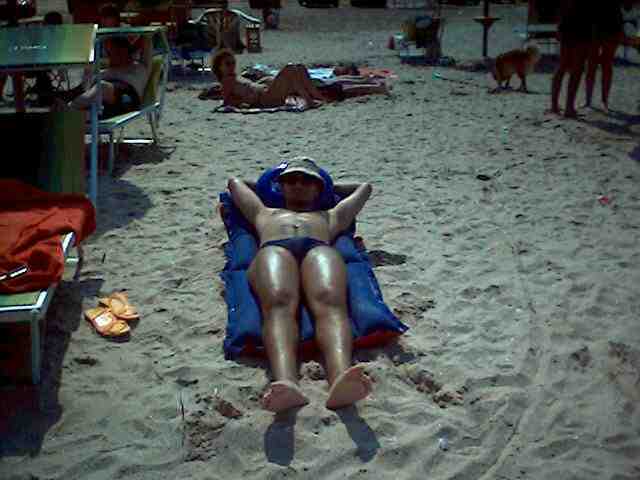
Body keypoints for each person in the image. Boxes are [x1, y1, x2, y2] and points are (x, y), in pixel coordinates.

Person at [227, 157, 373, 413]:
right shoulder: (264, 213)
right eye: (290, 180)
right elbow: (234, 183)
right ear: (280, 186)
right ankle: (286, 382)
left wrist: (329, 185)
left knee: (331, 304)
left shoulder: (331, 216)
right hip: (275, 249)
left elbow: (365, 188)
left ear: (319, 188)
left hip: (318, 249)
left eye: (307, 181)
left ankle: (341, 377)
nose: (298, 184)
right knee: (278, 304)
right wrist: (269, 183)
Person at [61, 4, 152, 118]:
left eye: (117, 53)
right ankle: (69, 113)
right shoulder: (106, 70)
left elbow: (147, 40)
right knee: (87, 109)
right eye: (110, 53)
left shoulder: (139, 67)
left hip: (125, 98)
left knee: (102, 88)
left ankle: (67, 110)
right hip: (100, 104)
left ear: (127, 53)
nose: (113, 56)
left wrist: (145, 34)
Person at [212, 49, 326, 108]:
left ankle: (317, 96)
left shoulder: (235, 76)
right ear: (219, 67)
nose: (232, 66)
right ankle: (310, 101)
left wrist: (262, 81)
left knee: (300, 67)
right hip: (265, 98)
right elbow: (227, 101)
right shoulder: (226, 81)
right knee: (290, 68)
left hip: (267, 92)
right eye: (228, 64)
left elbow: (248, 86)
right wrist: (246, 101)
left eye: (233, 62)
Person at [550, 0, 595, 118]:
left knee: (562, 66)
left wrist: (559, 27)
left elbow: (561, 8)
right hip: (582, 27)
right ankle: (568, 107)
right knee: (576, 69)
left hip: (567, 25)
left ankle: (555, 105)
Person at [583, 0, 625, 113]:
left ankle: (602, 101)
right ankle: (590, 101)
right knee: (593, 64)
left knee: (604, 64)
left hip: (610, 24)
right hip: (596, 25)